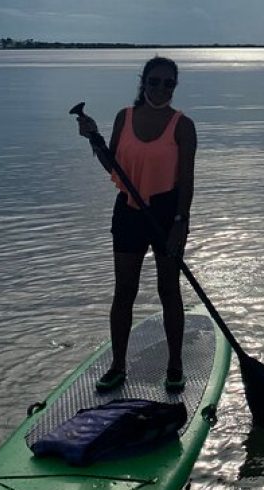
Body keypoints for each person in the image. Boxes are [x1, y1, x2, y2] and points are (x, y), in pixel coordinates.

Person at [76, 56, 197, 393]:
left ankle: (175, 366)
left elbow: (186, 179)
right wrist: (93, 137)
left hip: (166, 212)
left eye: (168, 83)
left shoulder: (182, 125)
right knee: (124, 292)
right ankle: (117, 366)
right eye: (155, 81)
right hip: (129, 211)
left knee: (168, 290)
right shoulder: (124, 117)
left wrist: (181, 223)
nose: (161, 88)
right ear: (143, 81)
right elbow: (114, 168)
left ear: (175, 86)